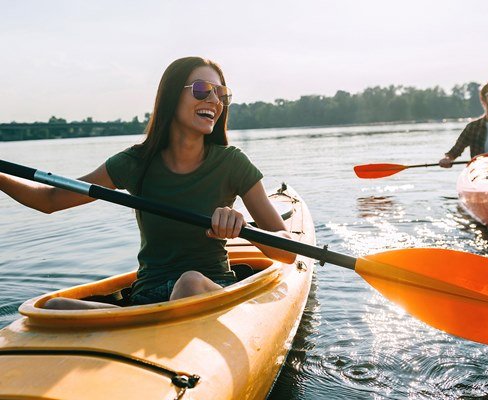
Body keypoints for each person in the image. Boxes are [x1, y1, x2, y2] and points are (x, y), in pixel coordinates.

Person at [0, 56, 296, 309]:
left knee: (189, 282)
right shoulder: (133, 163)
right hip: (147, 298)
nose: (214, 101)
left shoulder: (232, 163)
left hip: (207, 290)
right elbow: (49, 200)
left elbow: (287, 250)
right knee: (53, 306)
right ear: (170, 96)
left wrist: (242, 226)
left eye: (221, 94)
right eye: (202, 89)